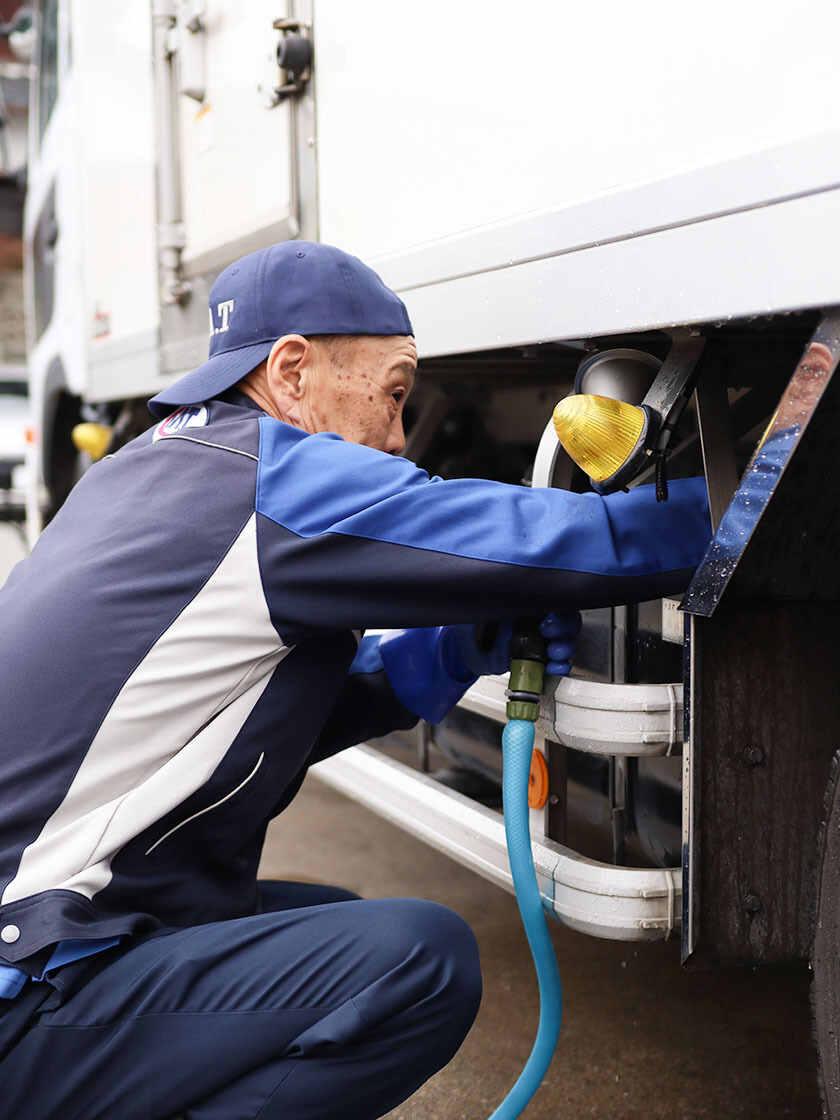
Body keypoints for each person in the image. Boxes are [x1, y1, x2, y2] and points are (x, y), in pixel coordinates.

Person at [0, 242, 710, 1118]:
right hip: (25, 987)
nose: (399, 436)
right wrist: (739, 504)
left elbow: (237, 721)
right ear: (292, 371)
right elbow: (550, 538)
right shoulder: (272, 481)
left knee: (323, 920)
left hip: (42, 936)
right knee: (418, 962)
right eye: (393, 393)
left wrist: (450, 651)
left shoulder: (141, 473)